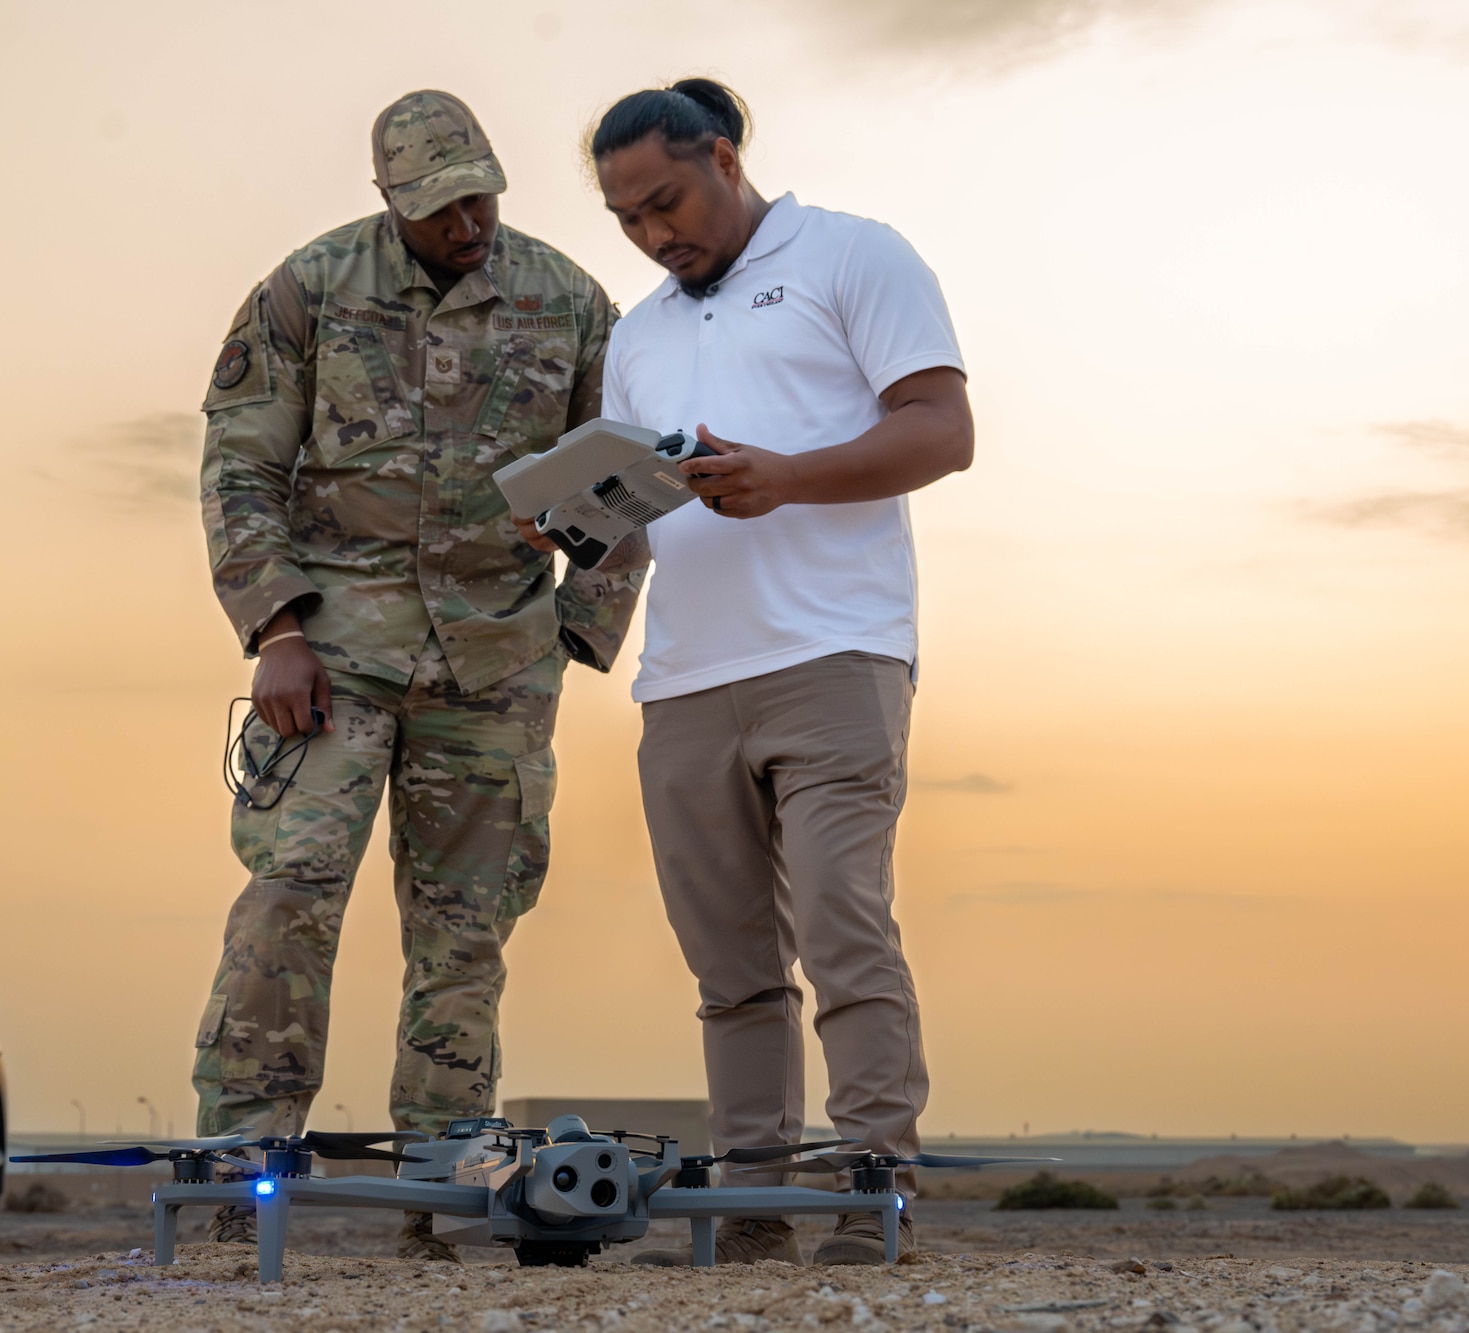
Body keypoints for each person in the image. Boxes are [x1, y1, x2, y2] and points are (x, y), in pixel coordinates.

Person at [194, 89, 646, 1261]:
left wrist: (580, 625)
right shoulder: (309, 289)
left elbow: (629, 472)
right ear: (394, 199)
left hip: (496, 656)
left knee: (467, 930)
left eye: (484, 194)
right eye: (445, 204)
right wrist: (275, 628)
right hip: (336, 648)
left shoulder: (568, 301)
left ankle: (441, 1190)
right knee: (291, 888)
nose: (471, 221)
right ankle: (238, 1165)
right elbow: (241, 464)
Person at [550, 78, 974, 1266]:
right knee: (729, 965)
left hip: (835, 652)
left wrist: (785, 474)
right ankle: (749, 1208)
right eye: (627, 218)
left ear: (723, 158)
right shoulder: (637, 335)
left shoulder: (852, 255)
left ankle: (871, 1190)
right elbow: (632, 514)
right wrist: (571, 521)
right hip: (684, 679)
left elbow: (942, 432)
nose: (652, 234)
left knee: (842, 923)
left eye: (666, 201)